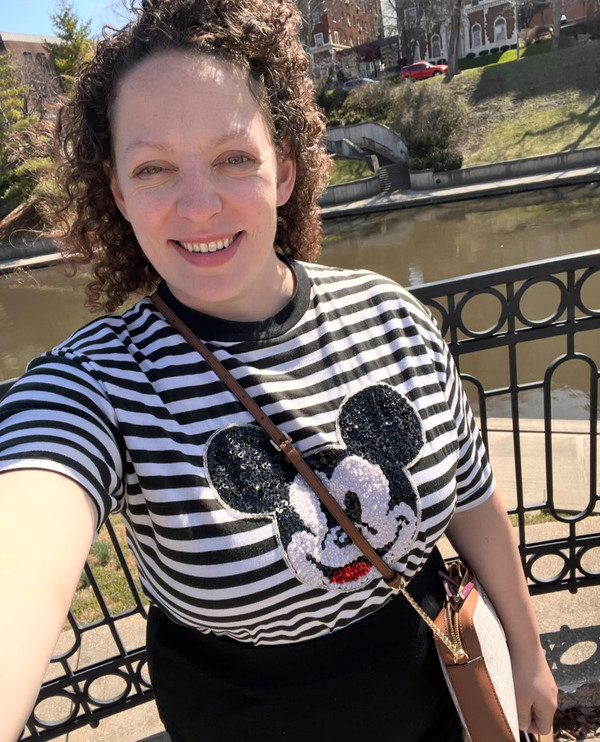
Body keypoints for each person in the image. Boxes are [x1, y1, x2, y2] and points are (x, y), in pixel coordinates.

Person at [0, 1, 557, 740]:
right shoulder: (100, 384)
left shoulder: (391, 316)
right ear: (119, 194)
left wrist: (528, 651)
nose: (199, 206)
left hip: (439, 701)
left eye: (233, 157)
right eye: (153, 168)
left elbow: (474, 501)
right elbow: (28, 524)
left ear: (285, 170)